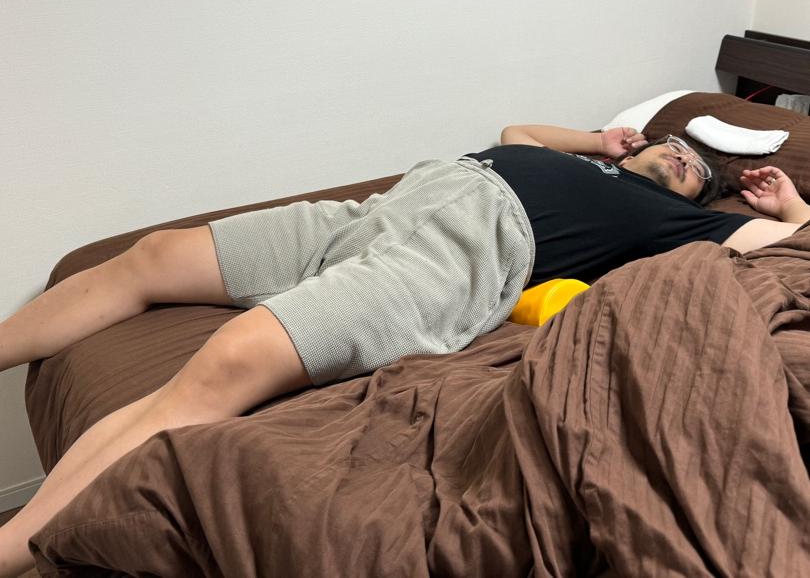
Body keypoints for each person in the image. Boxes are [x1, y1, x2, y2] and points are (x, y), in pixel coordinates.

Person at [0, 123, 808, 577]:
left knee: (227, 361)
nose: (681, 157)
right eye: (673, 145)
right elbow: (515, 131)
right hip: (386, 207)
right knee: (151, 258)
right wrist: (596, 137)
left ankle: (12, 549)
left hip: (465, 251)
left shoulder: (679, 221)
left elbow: (787, 248)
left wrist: (791, 201)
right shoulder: (580, 159)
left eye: (694, 169)